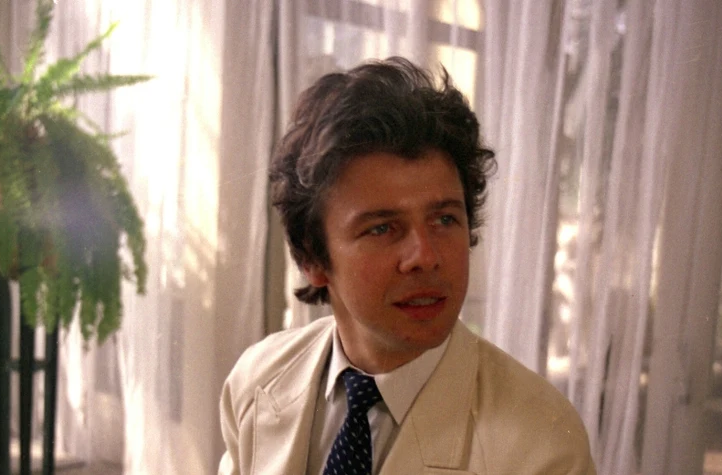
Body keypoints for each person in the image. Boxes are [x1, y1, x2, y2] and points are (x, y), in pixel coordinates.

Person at [218, 57, 596, 475]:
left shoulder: (542, 442)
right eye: (382, 228)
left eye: (444, 220)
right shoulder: (257, 380)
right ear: (312, 259)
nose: (426, 256)